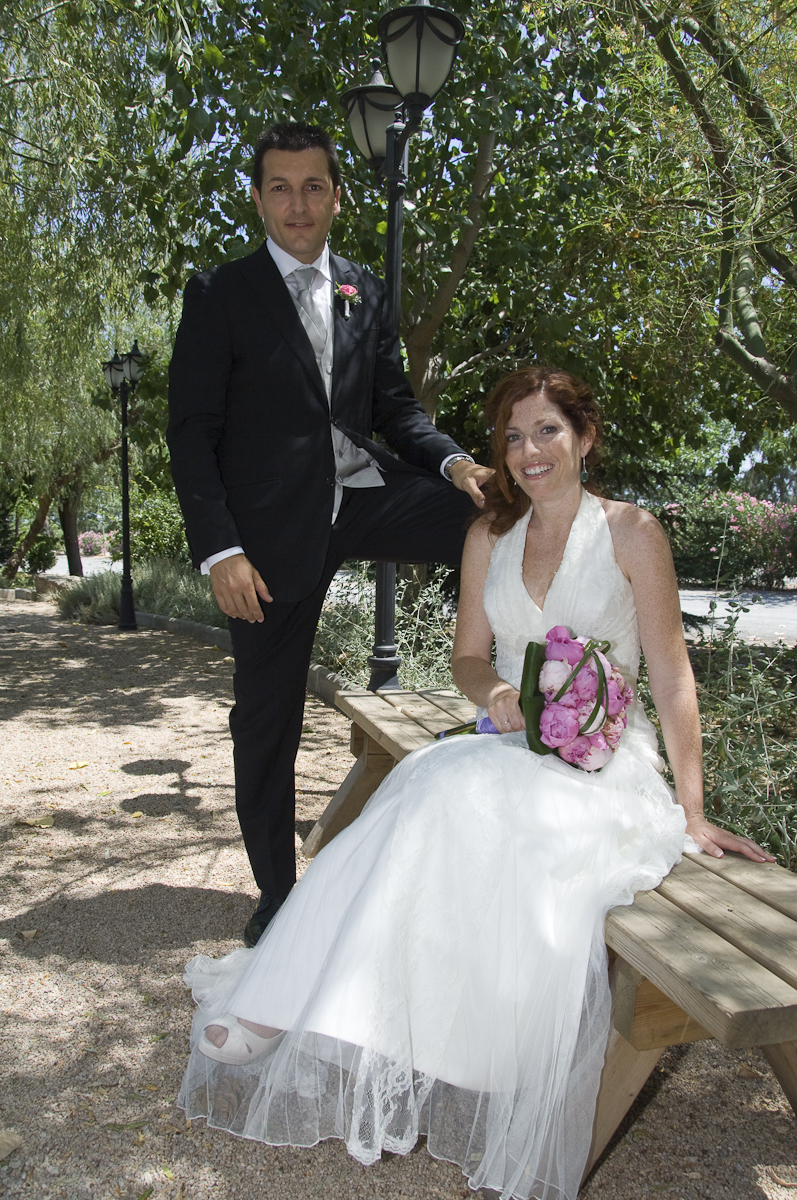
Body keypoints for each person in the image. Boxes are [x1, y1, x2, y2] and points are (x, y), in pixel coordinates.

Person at [177, 365, 772, 1200]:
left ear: (584, 437)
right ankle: (291, 996)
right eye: (513, 436)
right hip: (512, 741)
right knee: (424, 782)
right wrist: (492, 692)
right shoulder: (488, 535)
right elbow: (466, 656)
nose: (529, 451)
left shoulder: (632, 533)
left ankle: (444, 1038)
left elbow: (672, 678)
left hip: (605, 762)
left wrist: (692, 811)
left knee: (469, 805)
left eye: (547, 430)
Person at [167, 122, 492, 946]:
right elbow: (191, 433)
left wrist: (456, 464)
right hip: (267, 538)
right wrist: (221, 549)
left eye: (313, 187)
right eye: (280, 188)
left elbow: (395, 408)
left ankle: (517, 691)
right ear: (257, 198)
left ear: (337, 197)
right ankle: (278, 895)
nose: (297, 204)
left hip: (363, 495)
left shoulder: (362, 290)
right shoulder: (219, 293)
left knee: (493, 520)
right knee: (266, 717)